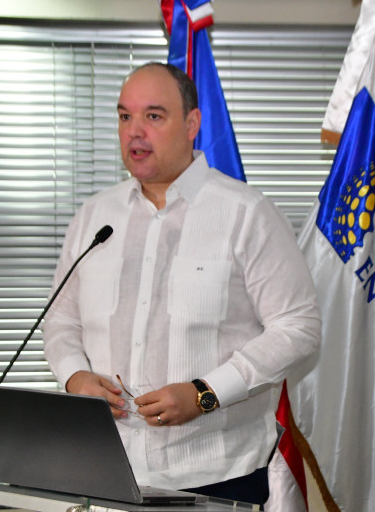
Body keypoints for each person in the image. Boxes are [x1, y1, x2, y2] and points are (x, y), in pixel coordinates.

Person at [42, 62, 321, 506]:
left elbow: (298, 327)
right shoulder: (93, 217)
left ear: (192, 124)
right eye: (125, 116)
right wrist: (75, 375)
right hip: (105, 466)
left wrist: (205, 394)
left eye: (153, 116)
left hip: (216, 475)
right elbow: (61, 320)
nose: (135, 131)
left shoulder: (247, 213)